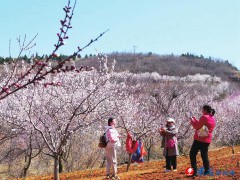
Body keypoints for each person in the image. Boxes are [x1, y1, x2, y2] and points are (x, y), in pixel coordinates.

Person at [189, 105, 216, 176]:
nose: (201, 111)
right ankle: (207, 171)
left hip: (199, 139)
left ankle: (195, 172)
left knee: (192, 154)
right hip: (207, 140)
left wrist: (192, 121)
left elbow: (197, 127)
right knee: (204, 156)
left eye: (202, 110)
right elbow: (203, 125)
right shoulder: (212, 117)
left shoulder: (204, 117)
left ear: (205, 110)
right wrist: (195, 119)